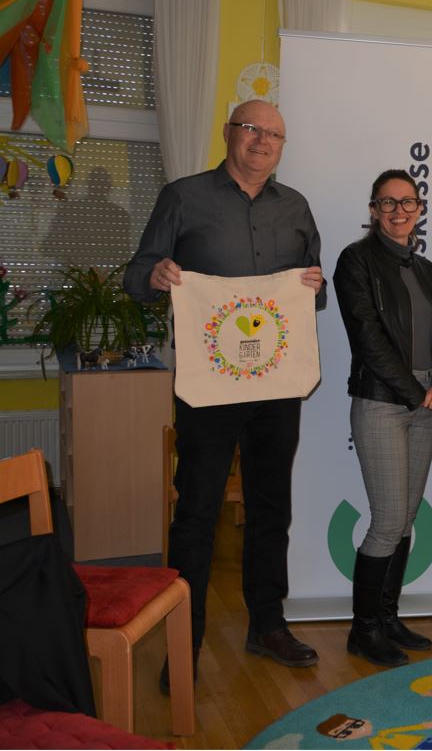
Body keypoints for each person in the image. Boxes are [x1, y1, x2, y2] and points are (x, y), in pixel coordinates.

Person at [125, 100, 325, 687]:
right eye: (251, 129)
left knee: (271, 508)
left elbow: (313, 293)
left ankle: (268, 625)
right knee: (197, 513)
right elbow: (136, 276)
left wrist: (316, 284)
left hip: (277, 386)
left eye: (274, 135)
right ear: (228, 133)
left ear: (282, 147)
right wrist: (155, 275)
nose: (262, 141)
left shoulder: (296, 206)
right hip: (208, 388)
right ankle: (182, 644)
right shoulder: (183, 196)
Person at [334, 169, 432, 667]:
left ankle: (387, 618)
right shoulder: (355, 260)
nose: (398, 211)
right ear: (373, 209)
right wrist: (418, 393)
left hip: (425, 401)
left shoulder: (424, 268)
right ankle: (362, 631)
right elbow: (367, 337)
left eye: (407, 202)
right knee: (386, 521)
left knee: (405, 518)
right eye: (388, 202)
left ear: (419, 209)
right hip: (383, 400)